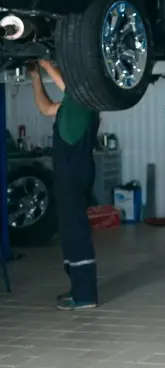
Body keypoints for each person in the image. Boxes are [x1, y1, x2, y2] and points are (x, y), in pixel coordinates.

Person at [28, 59, 100, 311]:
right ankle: (77, 288)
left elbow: (70, 88)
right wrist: (35, 76)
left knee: (76, 231)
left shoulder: (82, 103)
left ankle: (86, 294)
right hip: (67, 175)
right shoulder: (70, 107)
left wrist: (45, 62)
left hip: (74, 174)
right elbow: (45, 107)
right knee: (69, 231)